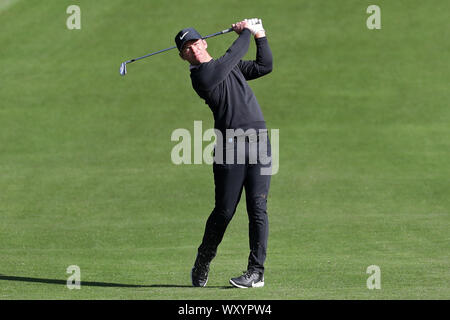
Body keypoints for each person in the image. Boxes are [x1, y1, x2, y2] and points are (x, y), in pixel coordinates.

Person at [175, 18, 273, 288]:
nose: (193, 50)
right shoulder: (203, 76)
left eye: (195, 43)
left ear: (204, 42)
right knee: (224, 211)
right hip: (230, 148)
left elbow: (265, 66)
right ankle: (204, 259)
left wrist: (260, 36)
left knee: (258, 207)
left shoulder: (228, 67)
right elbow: (233, 55)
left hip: (259, 141)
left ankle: (256, 272)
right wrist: (246, 32)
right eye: (187, 49)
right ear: (183, 57)